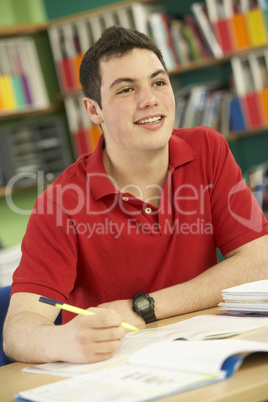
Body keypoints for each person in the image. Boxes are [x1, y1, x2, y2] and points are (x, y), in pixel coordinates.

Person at [3, 26, 268, 364]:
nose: (149, 100)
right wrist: (59, 341)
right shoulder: (60, 203)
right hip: (118, 372)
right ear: (93, 110)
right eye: (126, 89)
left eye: (158, 82)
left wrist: (142, 308)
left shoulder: (208, 149)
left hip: (203, 352)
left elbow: (259, 261)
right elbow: (18, 331)